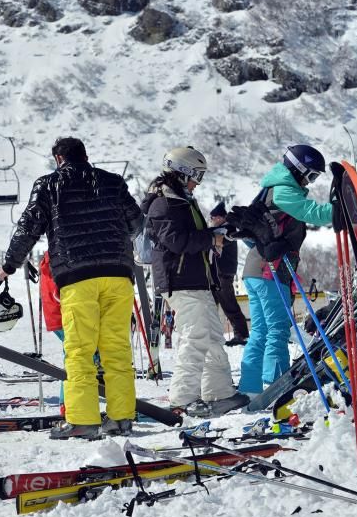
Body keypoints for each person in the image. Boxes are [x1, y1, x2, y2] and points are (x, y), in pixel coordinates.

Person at [0, 137, 142, 440]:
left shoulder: (49, 184)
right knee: (116, 348)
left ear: (59, 159)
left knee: (79, 351)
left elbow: (29, 227)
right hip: (118, 274)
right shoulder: (112, 181)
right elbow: (136, 224)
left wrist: (9, 265)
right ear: (85, 156)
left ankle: (83, 420)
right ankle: (122, 418)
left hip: (78, 276)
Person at [143, 148, 248, 417]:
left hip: (196, 280)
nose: (198, 182)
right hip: (180, 281)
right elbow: (175, 240)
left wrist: (219, 232)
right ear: (182, 172)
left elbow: (192, 234)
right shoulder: (164, 203)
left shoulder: (181, 200)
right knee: (195, 338)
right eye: (196, 175)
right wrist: (211, 239)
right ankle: (183, 399)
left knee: (212, 338)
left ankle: (219, 392)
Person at [235, 144, 333, 398]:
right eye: (311, 176)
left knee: (261, 330)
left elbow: (250, 235)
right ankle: (277, 387)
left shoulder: (269, 191)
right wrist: (343, 209)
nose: (310, 182)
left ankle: (251, 387)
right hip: (269, 271)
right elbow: (314, 213)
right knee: (277, 329)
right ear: (298, 170)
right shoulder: (284, 192)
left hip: (256, 269)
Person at [210, 201, 249, 346]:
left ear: (220, 217)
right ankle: (213, 334)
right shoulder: (223, 229)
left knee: (229, 304)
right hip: (219, 273)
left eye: (213, 217)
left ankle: (242, 334)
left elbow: (219, 242)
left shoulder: (227, 229)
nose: (212, 221)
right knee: (214, 304)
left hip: (223, 273)